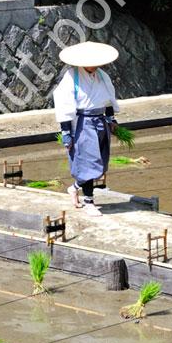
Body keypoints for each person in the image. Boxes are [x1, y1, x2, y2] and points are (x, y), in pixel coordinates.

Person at [52, 41, 121, 217]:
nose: (95, 65)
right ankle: (89, 200)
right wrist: (66, 133)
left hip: (100, 121)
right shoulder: (72, 76)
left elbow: (109, 99)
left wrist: (111, 119)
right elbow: (64, 105)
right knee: (88, 162)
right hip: (82, 123)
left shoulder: (103, 76)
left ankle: (74, 188)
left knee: (100, 163)